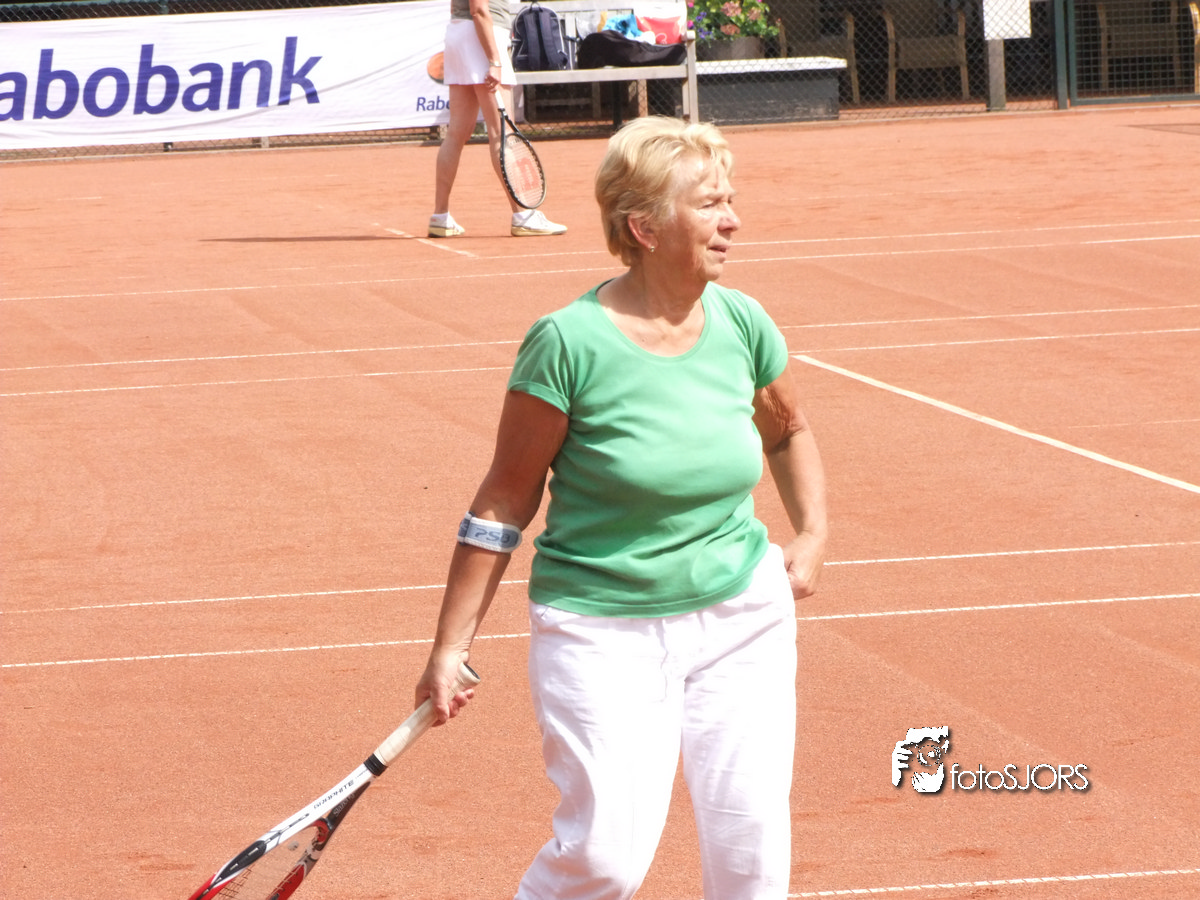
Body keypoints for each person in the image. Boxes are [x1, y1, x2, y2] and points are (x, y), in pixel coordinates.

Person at [415, 116, 827, 900]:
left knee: (752, 861)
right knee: (604, 859)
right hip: (600, 628)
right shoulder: (567, 343)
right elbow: (504, 498)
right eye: (710, 204)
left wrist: (812, 533)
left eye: (730, 200)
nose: (733, 220)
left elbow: (788, 429)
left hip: (742, 616)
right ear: (644, 227)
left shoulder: (742, 322)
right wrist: (449, 646)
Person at [430, 0, 567, 238]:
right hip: (483, 37)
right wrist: (494, 60)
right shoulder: (483, 29)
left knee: (457, 133)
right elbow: (478, 9)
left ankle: (440, 217)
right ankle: (523, 216)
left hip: (461, 34)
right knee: (502, 133)